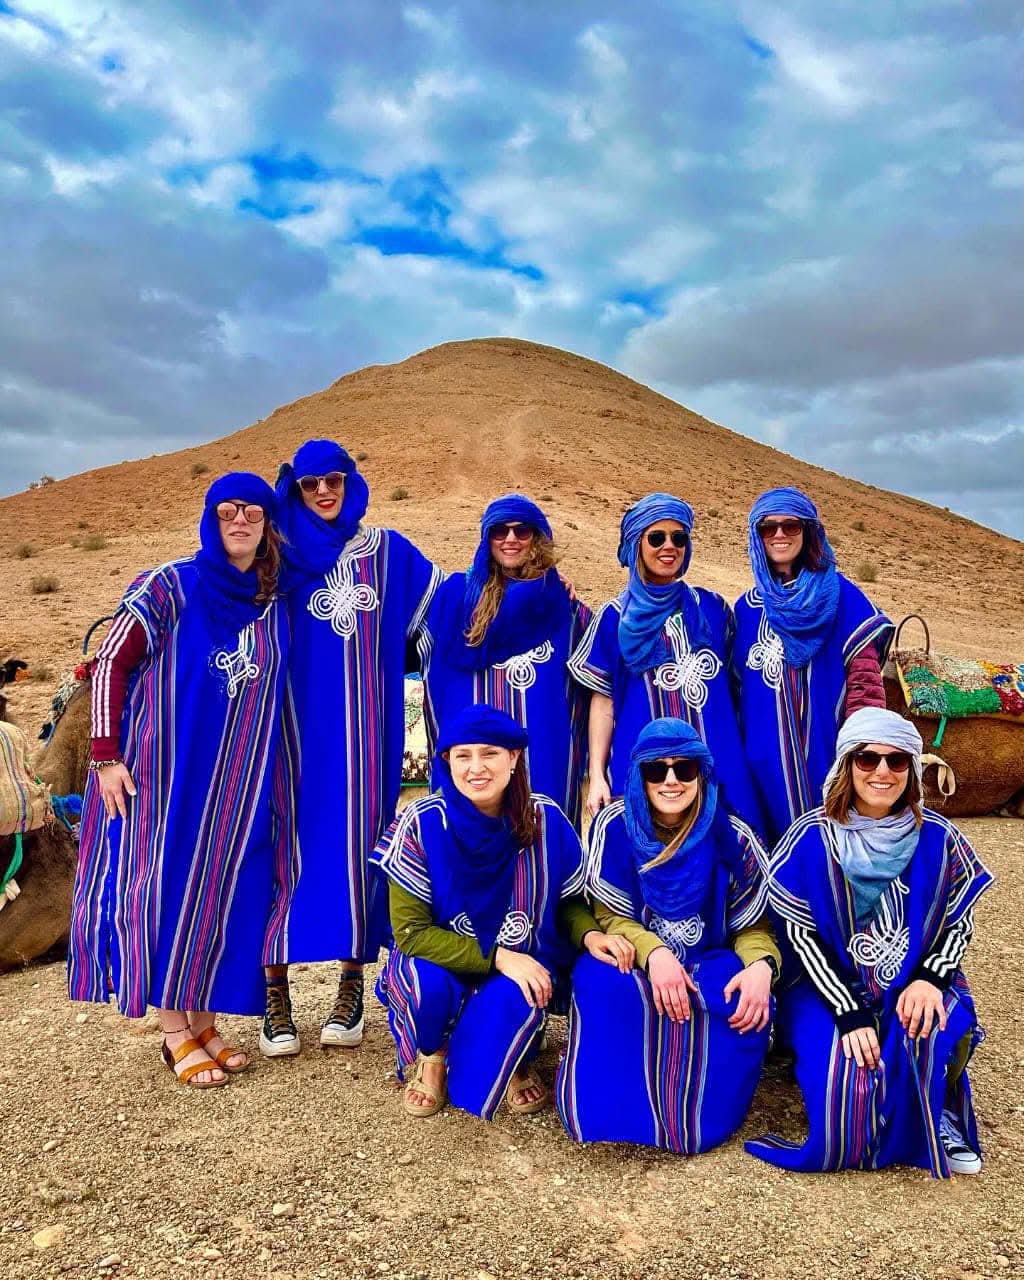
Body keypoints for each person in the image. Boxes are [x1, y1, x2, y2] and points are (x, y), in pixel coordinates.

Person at [68, 474, 290, 1087]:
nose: (239, 521)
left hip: (234, 783)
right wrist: (104, 755)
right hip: (160, 773)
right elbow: (112, 660)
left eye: (251, 512)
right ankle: (173, 1032)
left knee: (220, 893)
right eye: (226, 511)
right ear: (209, 519)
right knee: (163, 888)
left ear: (268, 523)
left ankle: (205, 1021)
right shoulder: (172, 584)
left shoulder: (270, 600)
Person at [746, 708, 993, 1177]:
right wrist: (849, 1010)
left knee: (922, 1036)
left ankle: (935, 1111)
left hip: (910, 978)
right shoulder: (811, 837)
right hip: (826, 988)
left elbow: (958, 924)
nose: (882, 771)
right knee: (846, 1094)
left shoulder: (939, 837)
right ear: (846, 766)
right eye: (867, 759)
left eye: (897, 761)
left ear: (912, 771)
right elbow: (800, 935)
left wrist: (929, 980)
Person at [261, 440, 443, 1057]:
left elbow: (447, 617)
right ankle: (275, 996)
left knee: (359, 851)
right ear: (294, 488)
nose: (323, 493)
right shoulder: (273, 556)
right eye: (310, 484)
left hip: (367, 736)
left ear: (351, 481)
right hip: (284, 731)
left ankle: (350, 989)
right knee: (275, 846)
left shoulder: (389, 554)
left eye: (333, 480)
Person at [371, 705, 633, 1120]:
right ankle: (432, 1054)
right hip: (445, 962)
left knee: (523, 988)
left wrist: (590, 935)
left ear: (513, 758)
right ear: (447, 763)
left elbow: (568, 902)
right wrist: (499, 956)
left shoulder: (545, 819)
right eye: (463, 755)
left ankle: (516, 1053)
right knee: (429, 987)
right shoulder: (420, 825)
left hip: (521, 957)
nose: (477, 767)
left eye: (490, 753)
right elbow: (411, 934)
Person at [557, 718, 779, 1152]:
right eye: (656, 770)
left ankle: (692, 1118)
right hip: (640, 960)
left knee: (743, 996)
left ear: (703, 772)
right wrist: (655, 954)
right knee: (600, 983)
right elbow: (609, 916)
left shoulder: (732, 835)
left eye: (685, 769)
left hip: (708, 960)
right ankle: (615, 1109)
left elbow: (753, 924)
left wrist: (760, 966)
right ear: (638, 774)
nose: (671, 780)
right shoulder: (615, 827)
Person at [569, 493, 761, 830]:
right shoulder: (615, 618)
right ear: (636, 544)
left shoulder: (714, 609)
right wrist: (597, 775)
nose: (668, 546)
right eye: (656, 537)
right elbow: (603, 704)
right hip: (646, 771)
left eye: (679, 537)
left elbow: (738, 690)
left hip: (719, 761)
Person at [419, 494, 591, 823]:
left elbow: (597, 687)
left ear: (538, 539)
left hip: (544, 760)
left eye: (522, 531)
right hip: (470, 763)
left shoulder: (564, 610)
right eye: (500, 531)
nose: (510, 539)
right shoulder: (454, 602)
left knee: (541, 851)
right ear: (487, 539)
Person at [733, 487, 893, 843]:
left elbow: (865, 684)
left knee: (832, 853)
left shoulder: (841, 595)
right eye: (767, 528)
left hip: (826, 750)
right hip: (763, 763)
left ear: (808, 532)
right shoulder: (746, 609)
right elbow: (736, 691)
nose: (778, 535)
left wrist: (864, 751)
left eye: (790, 526)